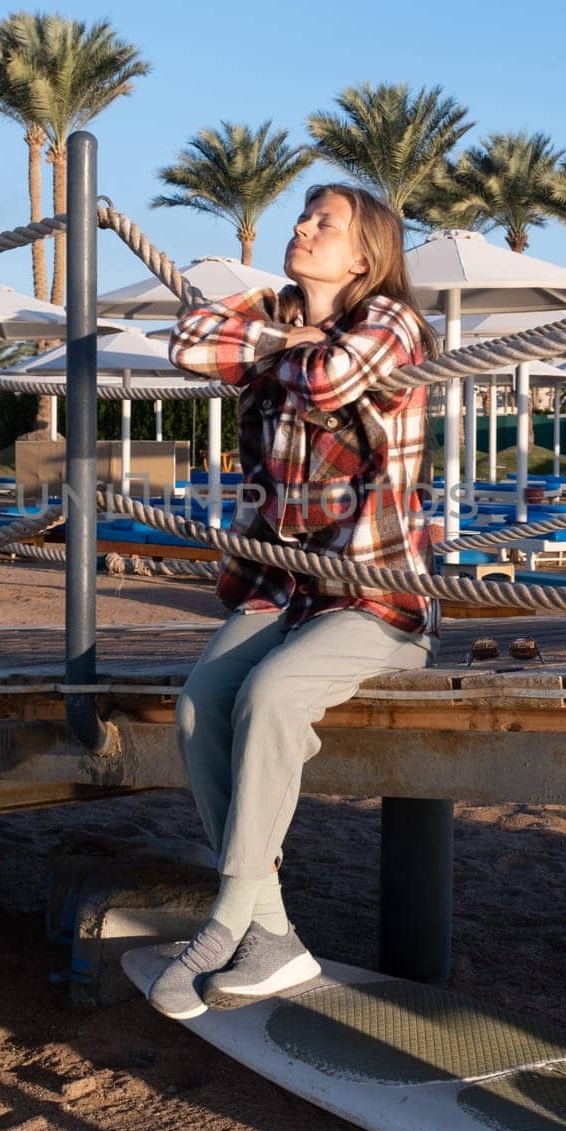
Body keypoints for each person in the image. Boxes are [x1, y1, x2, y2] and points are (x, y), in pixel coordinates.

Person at [150, 182, 440, 1020]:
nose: (303, 229)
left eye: (325, 223)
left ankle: (227, 921)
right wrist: (289, 332)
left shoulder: (393, 322)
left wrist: (280, 347)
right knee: (201, 705)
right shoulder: (281, 311)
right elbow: (190, 344)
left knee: (272, 695)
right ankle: (272, 935)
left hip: (373, 595)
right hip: (281, 584)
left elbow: (326, 381)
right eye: (303, 216)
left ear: (365, 254)